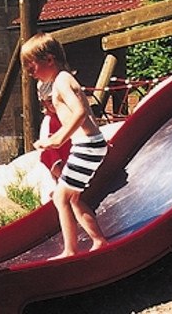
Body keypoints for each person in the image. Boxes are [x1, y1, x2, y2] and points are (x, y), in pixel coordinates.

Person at [23, 32, 109, 259]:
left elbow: (81, 112)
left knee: (61, 197)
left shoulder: (62, 81)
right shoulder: (61, 80)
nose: (30, 74)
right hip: (88, 145)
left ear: (49, 59)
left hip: (88, 145)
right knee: (70, 197)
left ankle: (71, 250)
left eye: (32, 68)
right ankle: (98, 240)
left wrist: (58, 138)